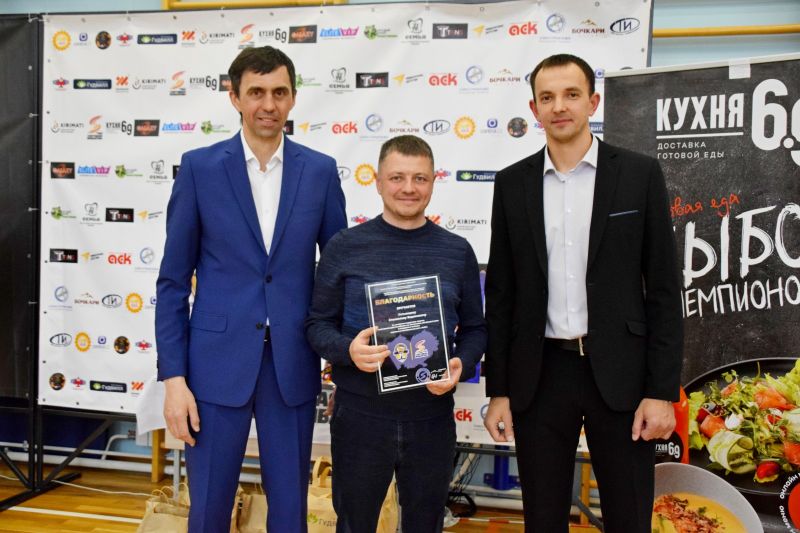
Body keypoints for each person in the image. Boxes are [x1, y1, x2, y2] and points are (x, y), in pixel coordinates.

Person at [483, 54, 683, 532]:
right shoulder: (511, 184)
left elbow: (663, 290)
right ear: (533, 109)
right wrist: (499, 390)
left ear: (592, 102)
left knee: (629, 517)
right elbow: (502, 295)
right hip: (541, 375)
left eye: (571, 94)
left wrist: (660, 393)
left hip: (621, 374)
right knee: (542, 518)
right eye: (547, 97)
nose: (559, 106)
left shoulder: (638, 174)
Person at [155, 46, 346, 533]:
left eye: (279, 92)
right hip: (213, 368)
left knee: (290, 514)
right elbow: (172, 283)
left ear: (293, 98)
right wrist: (174, 379)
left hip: (292, 366)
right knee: (208, 512)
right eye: (256, 92)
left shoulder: (320, 171)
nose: (268, 104)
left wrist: (342, 357)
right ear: (234, 97)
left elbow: (339, 274)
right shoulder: (199, 168)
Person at [306, 135, 487, 533]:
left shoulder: (457, 251)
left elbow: (476, 328)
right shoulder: (345, 246)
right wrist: (347, 350)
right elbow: (317, 325)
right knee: (354, 524)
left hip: (431, 417)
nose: (409, 188)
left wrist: (462, 361)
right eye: (397, 177)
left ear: (433, 182)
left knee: (425, 524)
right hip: (360, 415)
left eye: (420, 178)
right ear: (377, 181)